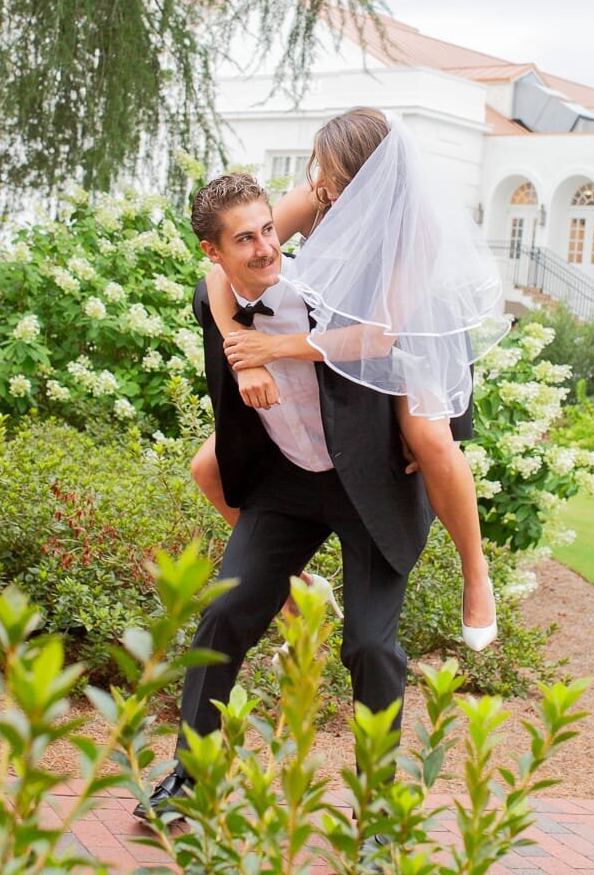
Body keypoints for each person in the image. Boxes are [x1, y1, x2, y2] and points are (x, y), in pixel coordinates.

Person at [135, 171, 433, 845]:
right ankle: (192, 774)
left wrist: (432, 434)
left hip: (371, 485)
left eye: (269, 229)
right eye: (245, 239)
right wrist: (246, 362)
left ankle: (378, 811)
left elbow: (418, 339)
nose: (267, 248)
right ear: (214, 254)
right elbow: (219, 304)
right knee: (224, 612)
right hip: (287, 484)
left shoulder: (322, 291)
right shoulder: (212, 299)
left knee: (369, 645)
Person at [192, 108, 508, 649]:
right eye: (323, 174)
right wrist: (245, 355)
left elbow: (378, 339)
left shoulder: (416, 226)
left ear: (370, 179)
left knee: (429, 438)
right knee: (206, 467)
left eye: (338, 178)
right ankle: (294, 581)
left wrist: (274, 346)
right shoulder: (315, 194)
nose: (325, 187)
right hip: (328, 336)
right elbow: (218, 273)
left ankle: (475, 574)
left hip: (405, 334)